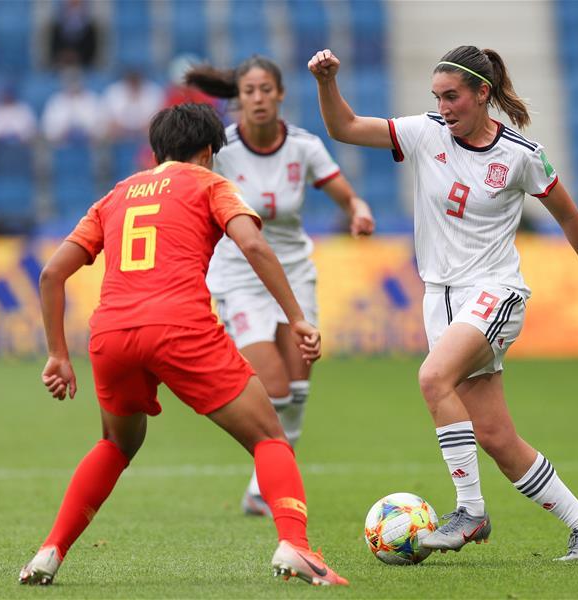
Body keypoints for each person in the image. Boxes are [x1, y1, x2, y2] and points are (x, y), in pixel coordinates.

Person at [308, 47, 578, 560]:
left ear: (482, 93)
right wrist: (326, 82)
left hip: (495, 291)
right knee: (496, 437)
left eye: (452, 96)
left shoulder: (521, 154)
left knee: (433, 379)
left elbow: (568, 215)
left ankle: (470, 512)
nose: (443, 107)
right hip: (441, 300)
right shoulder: (424, 132)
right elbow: (344, 127)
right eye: (437, 97)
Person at [18, 103, 347, 587]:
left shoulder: (116, 194)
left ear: (156, 151)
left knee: (115, 444)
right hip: (179, 327)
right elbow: (253, 244)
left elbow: (51, 274)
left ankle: (50, 551)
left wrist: (57, 355)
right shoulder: (210, 183)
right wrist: (296, 318)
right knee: (269, 437)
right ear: (209, 151)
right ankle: (295, 545)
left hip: (111, 334)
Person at [184, 56, 375, 516]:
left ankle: (259, 489)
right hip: (238, 276)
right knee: (275, 388)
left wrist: (358, 210)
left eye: (266, 89)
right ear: (239, 97)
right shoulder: (221, 148)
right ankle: (274, 485)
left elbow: (346, 194)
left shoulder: (305, 146)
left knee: (297, 390)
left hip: (293, 275)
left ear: (281, 94)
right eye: (249, 91)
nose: (258, 98)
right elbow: (185, 183)